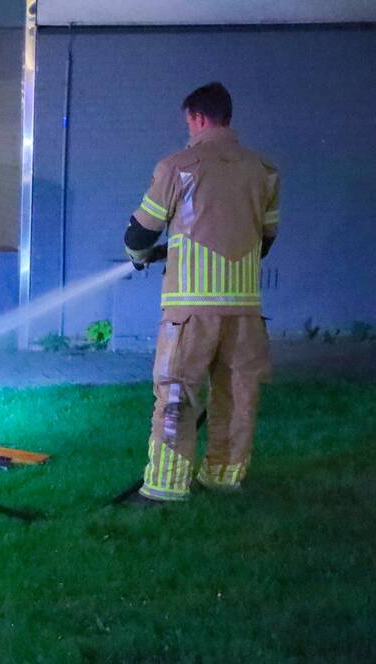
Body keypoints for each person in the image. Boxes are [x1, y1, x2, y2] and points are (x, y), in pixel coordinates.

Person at [123, 82, 280, 504]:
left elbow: (141, 231)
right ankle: (224, 477)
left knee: (178, 392)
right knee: (237, 393)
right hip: (245, 311)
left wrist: (139, 255)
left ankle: (165, 487)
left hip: (189, 312)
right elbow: (266, 239)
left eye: (188, 122)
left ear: (196, 117)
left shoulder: (177, 166)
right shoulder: (264, 169)